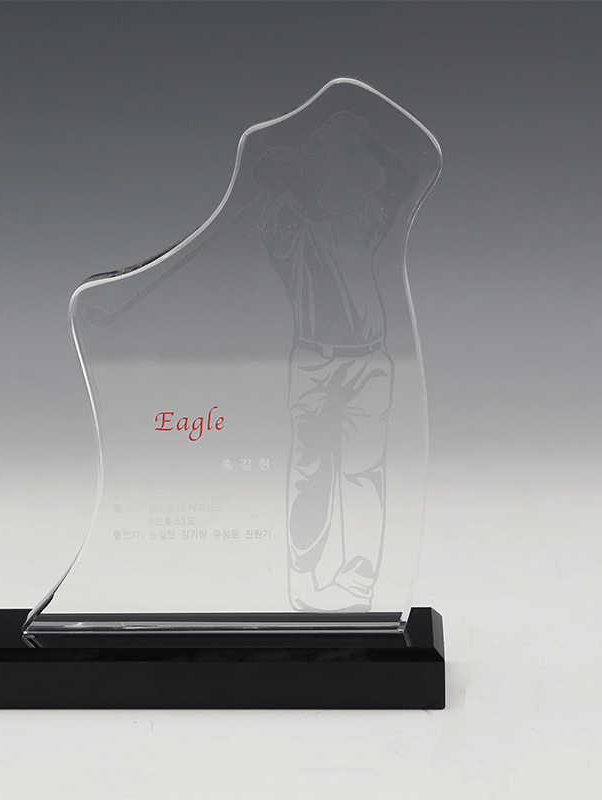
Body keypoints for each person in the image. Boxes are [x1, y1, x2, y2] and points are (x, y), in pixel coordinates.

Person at [253, 111, 418, 612]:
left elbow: (404, 181)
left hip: (369, 365)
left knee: (364, 473)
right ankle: (304, 581)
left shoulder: (356, 222)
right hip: (315, 367)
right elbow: (296, 201)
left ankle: (357, 588)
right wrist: (313, 157)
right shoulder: (281, 228)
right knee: (311, 473)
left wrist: (365, 139)